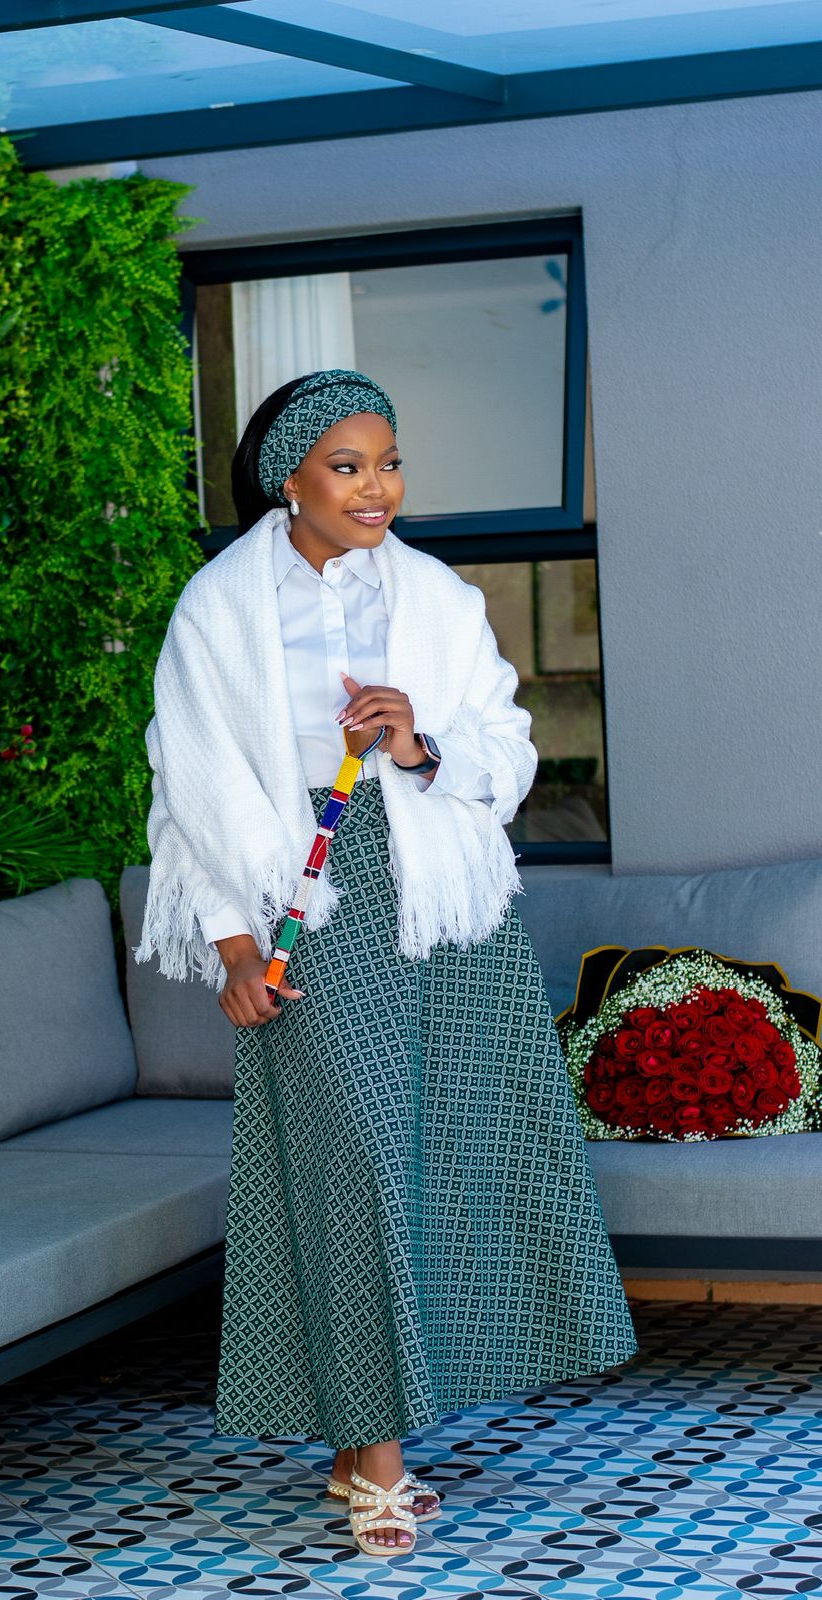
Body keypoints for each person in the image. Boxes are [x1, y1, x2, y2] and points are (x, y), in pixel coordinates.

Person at [134, 369, 637, 1558]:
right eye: (348, 466)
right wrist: (234, 944)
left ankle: (365, 1440)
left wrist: (418, 741)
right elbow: (190, 782)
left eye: (390, 462)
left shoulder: (437, 598)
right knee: (352, 1160)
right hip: (306, 894)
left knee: (453, 1152)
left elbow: (507, 752)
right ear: (289, 479)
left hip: (442, 900)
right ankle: (377, 1463)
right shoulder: (218, 608)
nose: (378, 488)